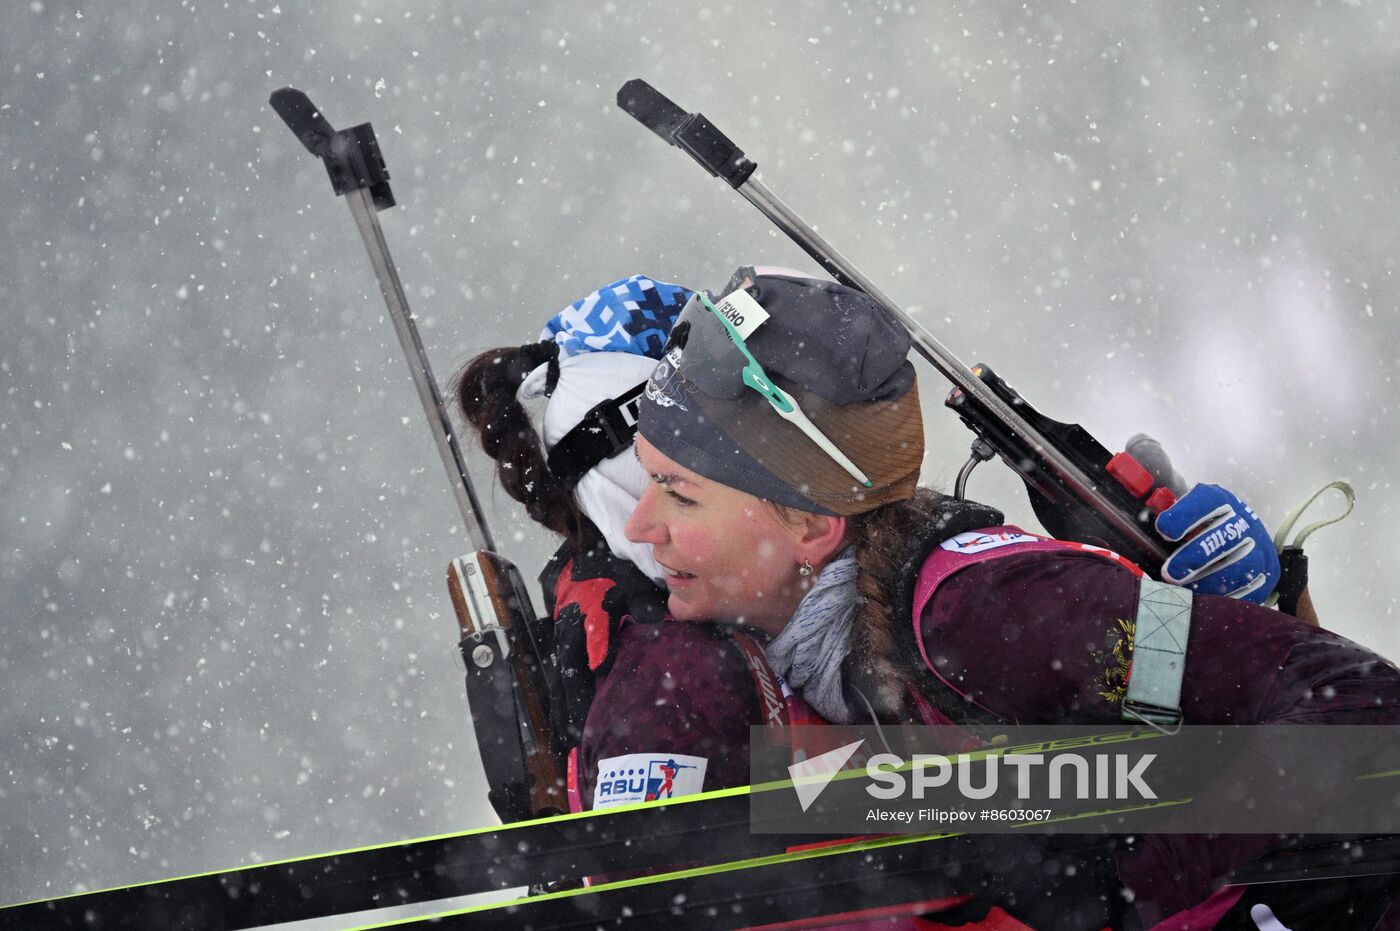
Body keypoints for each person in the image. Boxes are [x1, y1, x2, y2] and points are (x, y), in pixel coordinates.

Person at [613, 266, 1400, 929]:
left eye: (678, 495)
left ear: (813, 527)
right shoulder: (801, 637)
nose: (642, 526)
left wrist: (1128, 884)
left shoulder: (989, 611)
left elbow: (1361, 704)